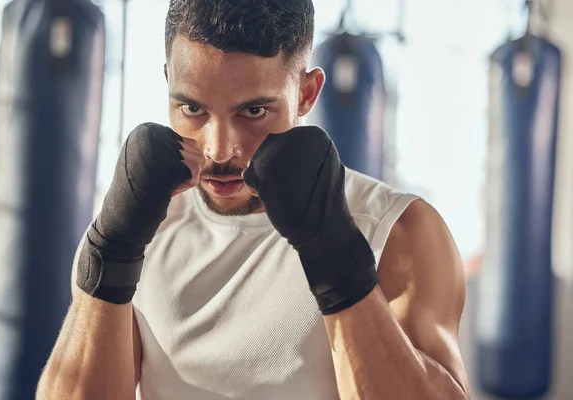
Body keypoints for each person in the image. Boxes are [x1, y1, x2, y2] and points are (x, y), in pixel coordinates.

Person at [37, 1, 470, 399]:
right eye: (192, 109)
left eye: (253, 112)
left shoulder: (397, 230)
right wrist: (111, 249)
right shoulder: (140, 226)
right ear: (169, 83)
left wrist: (338, 260)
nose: (220, 149)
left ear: (305, 93)